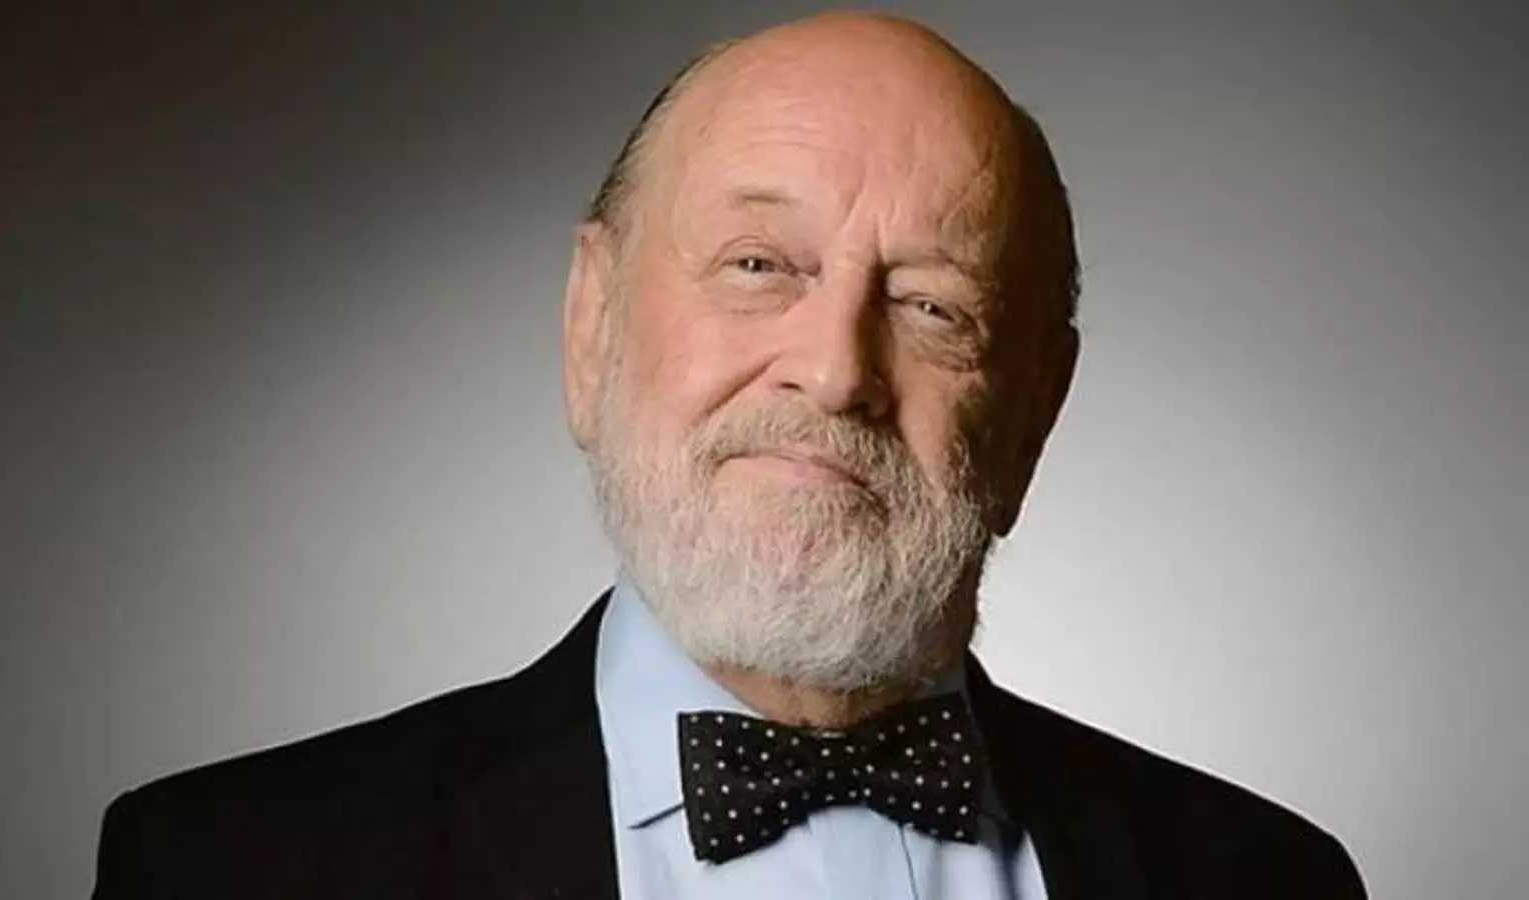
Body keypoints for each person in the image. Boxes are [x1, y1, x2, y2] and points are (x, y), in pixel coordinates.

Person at [91, 11, 1366, 899]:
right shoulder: (225, 869)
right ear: (591, 325)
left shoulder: (1267, 882)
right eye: (758, 264)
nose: (837, 370)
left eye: (934, 307)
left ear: (1034, 414)